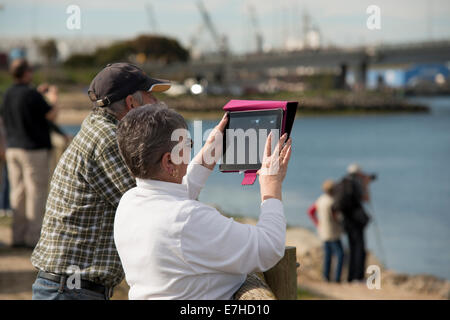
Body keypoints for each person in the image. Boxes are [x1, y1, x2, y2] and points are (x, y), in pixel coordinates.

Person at [114, 105, 292, 299]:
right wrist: (271, 184)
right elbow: (268, 248)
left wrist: (211, 150)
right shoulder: (187, 218)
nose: (190, 149)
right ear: (168, 161)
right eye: (187, 145)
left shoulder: (129, 202)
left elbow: (176, 194)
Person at [31, 62, 171, 300]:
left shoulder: (101, 130)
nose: (158, 104)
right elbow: (151, 206)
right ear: (131, 103)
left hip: (70, 287)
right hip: (71, 290)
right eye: (151, 96)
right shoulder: (108, 140)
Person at [0, 59, 58, 248]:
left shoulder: (8, 93)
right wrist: (53, 97)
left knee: (17, 193)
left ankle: (17, 237)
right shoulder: (32, 94)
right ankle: (34, 238)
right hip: (33, 150)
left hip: (13, 149)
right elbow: (51, 114)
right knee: (36, 193)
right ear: (26, 73)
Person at [333, 163, 373, 283]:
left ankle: (350, 276)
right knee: (359, 248)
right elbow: (365, 198)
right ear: (358, 173)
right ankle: (358, 276)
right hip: (357, 221)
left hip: (346, 220)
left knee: (351, 247)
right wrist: (366, 184)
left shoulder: (342, 183)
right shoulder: (357, 183)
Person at [308, 179, 344, 282]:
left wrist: (317, 223)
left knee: (328, 255)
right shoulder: (332, 202)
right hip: (333, 232)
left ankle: (326, 277)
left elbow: (310, 212)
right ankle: (337, 278)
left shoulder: (320, 200)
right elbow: (336, 217)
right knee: (340, 254)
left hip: (323, 231)